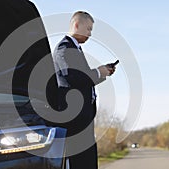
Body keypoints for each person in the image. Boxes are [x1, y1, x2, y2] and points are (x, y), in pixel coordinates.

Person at [52, 11, 116, 169]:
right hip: (75, 118)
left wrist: (103, 74)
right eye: (88, 29)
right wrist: (98, 72)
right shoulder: (64, 47)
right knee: (80, 162)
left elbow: (84, 80)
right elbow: (72, 78)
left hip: (83, 118)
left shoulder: (75, 49)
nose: (90, 34)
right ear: (76, 25)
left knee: (87, 161)